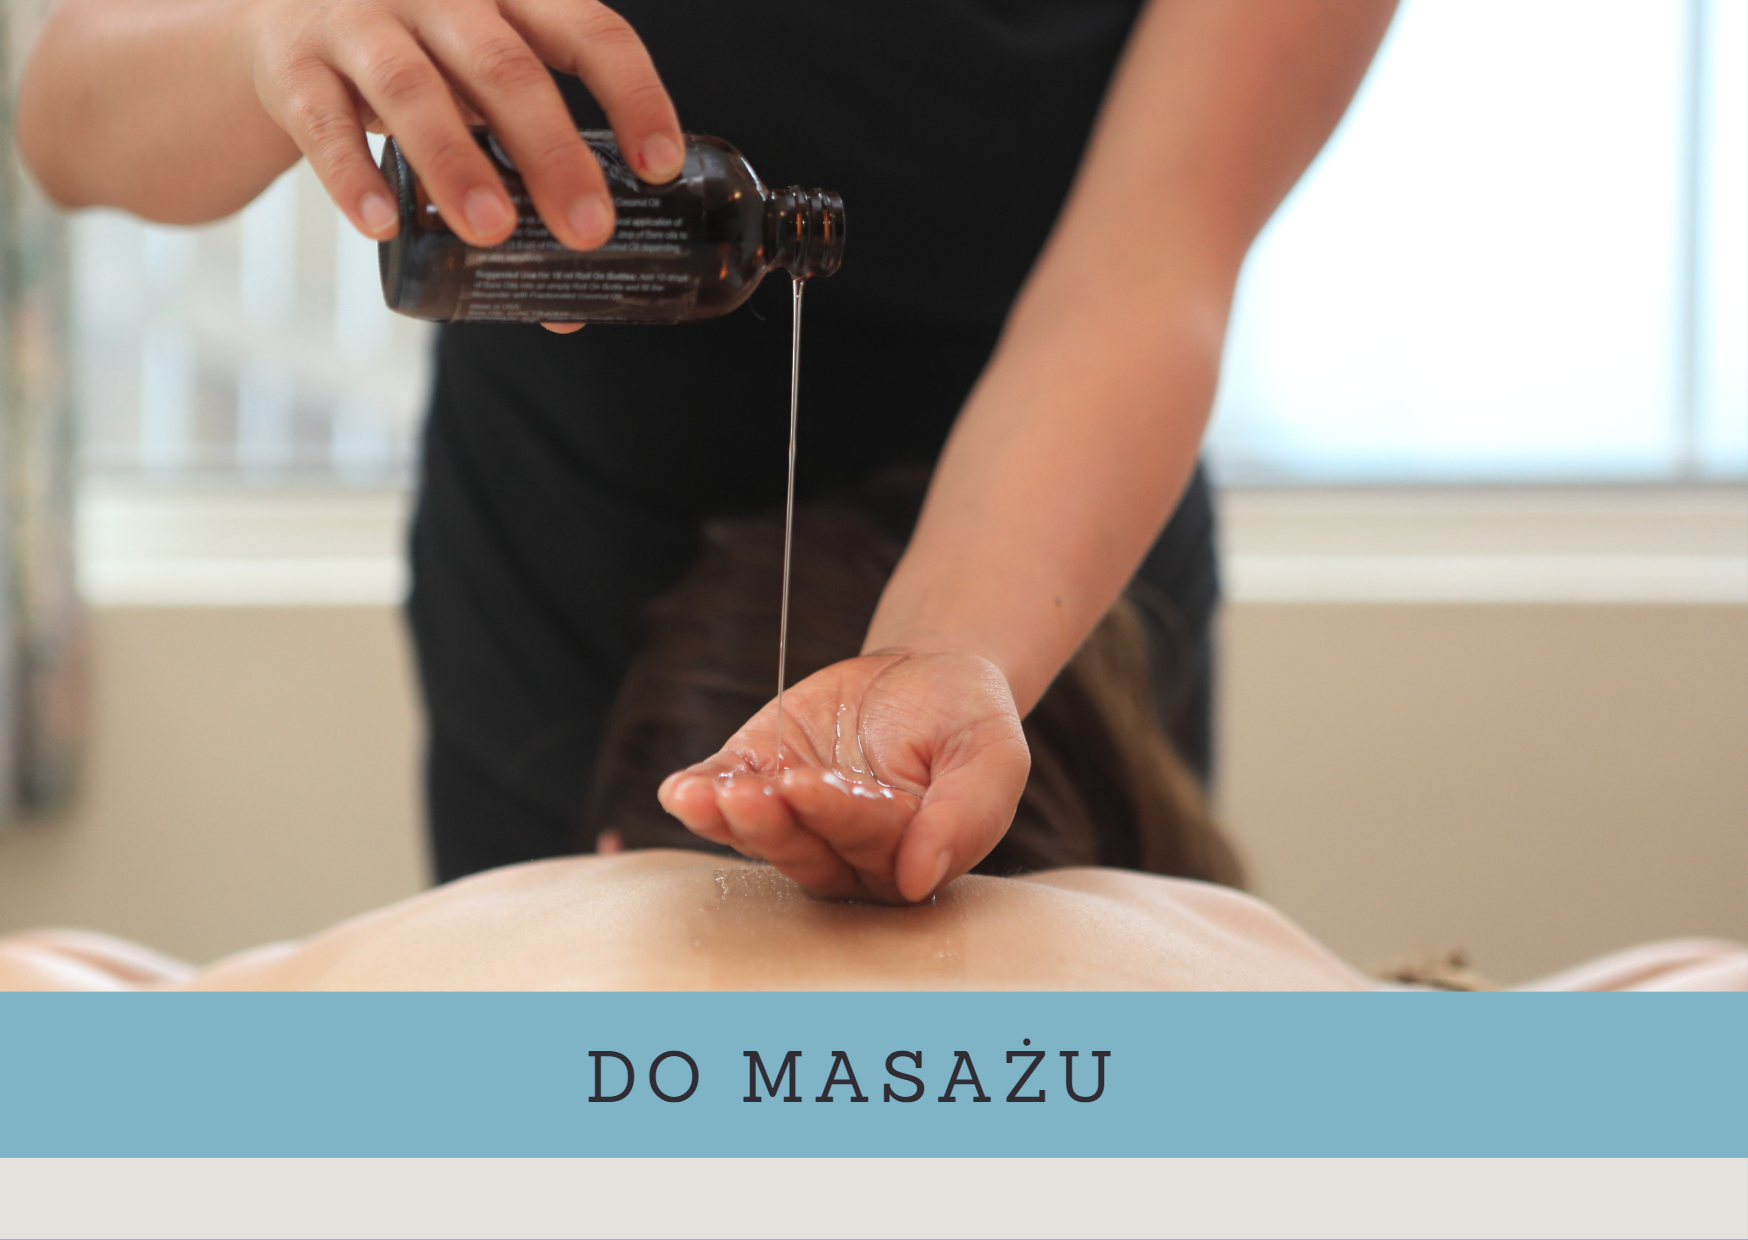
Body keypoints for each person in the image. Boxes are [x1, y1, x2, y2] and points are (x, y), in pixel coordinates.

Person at [16, 0, 1399, 900]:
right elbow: (64, 120)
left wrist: (947, 657)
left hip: (1051, 568)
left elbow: (1146, 270)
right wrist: (265, 39)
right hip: (572, 551)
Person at [2, 481, 1741, 991]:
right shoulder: (1241, 1000)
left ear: (600, 857)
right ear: (1111, 865)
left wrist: (274, 987)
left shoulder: (446, 993)